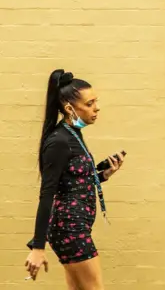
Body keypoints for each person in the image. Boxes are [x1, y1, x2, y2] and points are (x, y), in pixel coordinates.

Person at [24, 69, 125, 289]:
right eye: (89, 104)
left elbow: (72, 183)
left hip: (75, 226)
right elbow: (47, 193)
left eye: (96, 101)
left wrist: (103, 175)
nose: (96, 107)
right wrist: (38, 247)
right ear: (69, 108)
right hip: (70, 228)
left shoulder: (72, 134)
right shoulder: (58, 141)